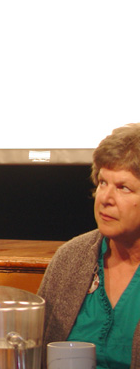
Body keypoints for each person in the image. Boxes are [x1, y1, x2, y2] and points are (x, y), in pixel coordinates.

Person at [38, 123, 140, 369]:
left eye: (123, 188)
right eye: (103, 183)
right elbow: (37, 354)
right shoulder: (71, 257)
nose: (105, 198)